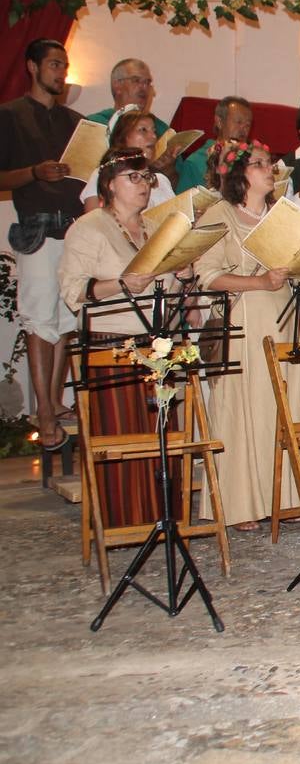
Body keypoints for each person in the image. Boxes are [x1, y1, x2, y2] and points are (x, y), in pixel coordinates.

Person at [197, 141, 300, 530]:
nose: (269, 168)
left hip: (285, 316)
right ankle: (241, 505)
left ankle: (286, 496)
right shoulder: (219, 215)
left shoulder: (280, 215)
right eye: (259, 164)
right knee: (246, 406)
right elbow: (208, 275)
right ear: (239, 174)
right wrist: (258, 281)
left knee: (285, 404)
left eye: (269, 163)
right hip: (246, 320)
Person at [58, 149, 188, 528]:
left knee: (160, 438)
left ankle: (164, 519)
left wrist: (181, 275)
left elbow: (166, 288)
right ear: (110, 184)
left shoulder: (153, 228)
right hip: (111, 347)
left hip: (157, 344)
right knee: (125, 440)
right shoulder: (89, 227)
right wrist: (122, 284)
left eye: (147, 178)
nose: (144, 185)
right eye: (134, 177)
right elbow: (72, 290)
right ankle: (124, 521)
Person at [0, 39, 84, 450]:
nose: (61, 73)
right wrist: (34, 172)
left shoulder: (75, 121)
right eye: (53, 64)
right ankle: (45, 413)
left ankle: (54, 400)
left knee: (66, 322)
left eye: (64, 65)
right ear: (32, 67)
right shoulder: (11, 115)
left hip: (72, 230)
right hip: (35, 228)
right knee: (38, 322)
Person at [85, 58, 179, 187]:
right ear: (117, 85)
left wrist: (168, 170)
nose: (144, 87)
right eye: (136, 81)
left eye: (148, 82)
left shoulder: (163, 130)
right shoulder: (93, 124)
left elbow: (176, 186)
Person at [79, 108, 174, 212]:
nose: (154, 136)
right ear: (122, 137)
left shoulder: (161, 180)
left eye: (154, 131)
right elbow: (94, 221)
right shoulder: (103, 175)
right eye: (143, 130)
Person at [176, 96, 252, 193]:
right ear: (219, 122)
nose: (244, 129)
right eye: (238, 122)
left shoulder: (251, 159)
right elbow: (184, 206)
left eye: (248, 124)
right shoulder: (195, 163)